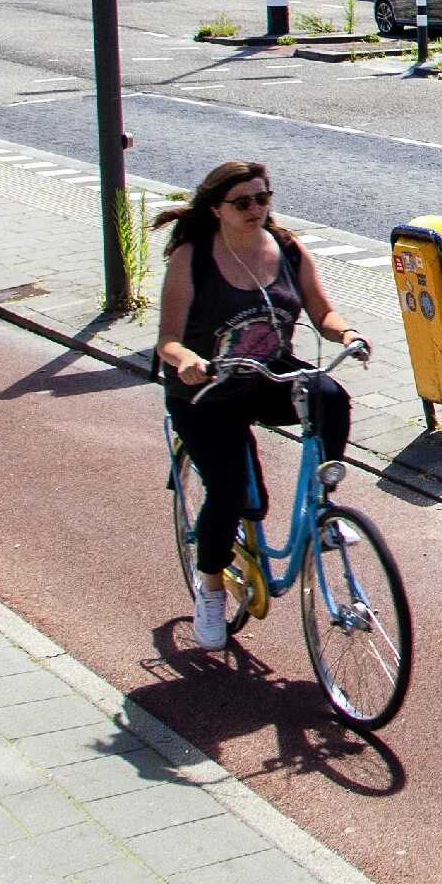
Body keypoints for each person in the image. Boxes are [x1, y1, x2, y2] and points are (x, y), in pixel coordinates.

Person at [153, 161, 368, 648]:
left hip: (266, 376)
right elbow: (167, 339)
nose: (256, 209)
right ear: (216, 208)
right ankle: (209, 592)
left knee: (329, 396)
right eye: (243, 202)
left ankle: (323, 511)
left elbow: (322, 310)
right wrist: (185, 358)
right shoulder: (193, 258)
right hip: (205, 392)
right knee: (232, 495)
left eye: (263, 198)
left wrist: (347, 333)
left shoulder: (287, 249)